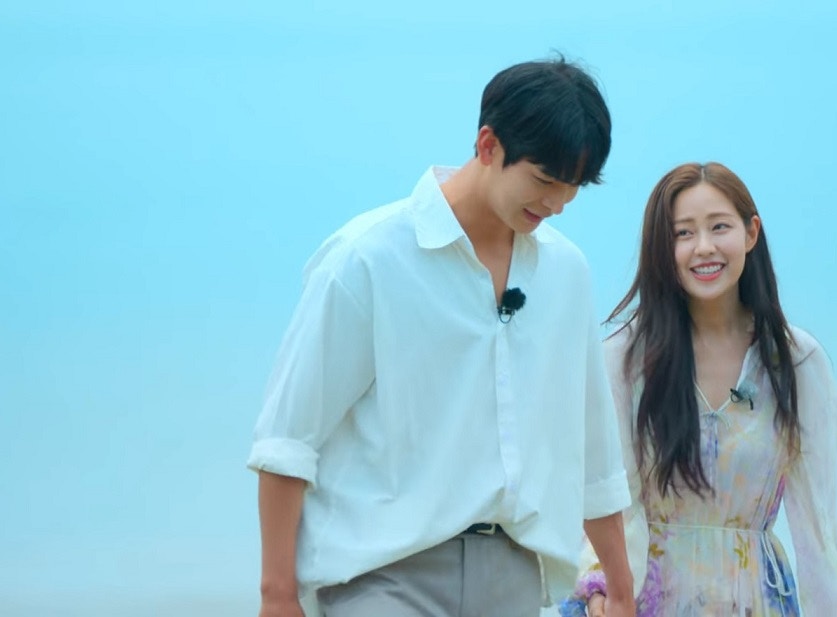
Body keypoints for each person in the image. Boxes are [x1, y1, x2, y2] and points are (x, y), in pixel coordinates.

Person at [248, 57, 636, 617]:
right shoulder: (368, 258)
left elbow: (593, 449)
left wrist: (620, 588)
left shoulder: (565, 273)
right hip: (383, 577)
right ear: (488, 146)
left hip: (514, 577)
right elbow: (288, 437)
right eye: (544, 180)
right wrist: (277, 595)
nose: (555, 203)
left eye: (572, 188)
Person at [563, 162, 837, 616]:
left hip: (758, 601)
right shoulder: (624, 360)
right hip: (650, 600)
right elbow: (608, 496)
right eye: (683, 233)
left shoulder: (797, 363)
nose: (703, 247)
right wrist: (602, 588)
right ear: (662, 248)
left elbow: (818, 528)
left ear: (751, 233)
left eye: (719, 227)